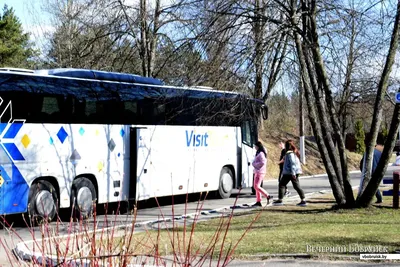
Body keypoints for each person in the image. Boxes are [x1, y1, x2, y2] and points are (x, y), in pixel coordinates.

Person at [273, 140, 306, 206]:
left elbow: (292, 164)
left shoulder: (290, 154)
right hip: (292, 172)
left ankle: (280, 200)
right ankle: (303, 200)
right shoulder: (293, 153)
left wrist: (293, 173)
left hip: (289, 172)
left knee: (282, 184)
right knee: (296, 186)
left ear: (287, 146)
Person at [358, 134, 384, 204]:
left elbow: (363, 162)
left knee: (370, 185)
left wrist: (362, 170)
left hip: (370, 170)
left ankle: (378, 198)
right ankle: (378, 198)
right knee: (374, 185)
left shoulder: (367, 153)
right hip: (377, 171)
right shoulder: (379, 153)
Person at [252, 141, 273, 207]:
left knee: (257, 186)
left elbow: (263, 162)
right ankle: (258, 201)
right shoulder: (258, 152)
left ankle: (268, 195)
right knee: (256, 187)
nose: (255, 147)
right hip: (257, 171)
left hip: (260, 172)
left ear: (258, 146)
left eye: (255, 146)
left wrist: (255, 165)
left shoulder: (261, 153)